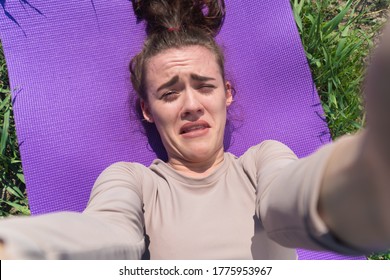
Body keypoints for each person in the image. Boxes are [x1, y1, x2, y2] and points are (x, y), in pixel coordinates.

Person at [0, 0, 389, 259]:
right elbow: (107, 234)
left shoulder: (262, 161)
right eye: (169, 94)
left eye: (205, 86)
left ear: (227, 95)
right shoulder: (134, 182)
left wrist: (364, 175)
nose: (190, 105)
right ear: (148, 110)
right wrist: (21, 248)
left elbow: (291, 199)